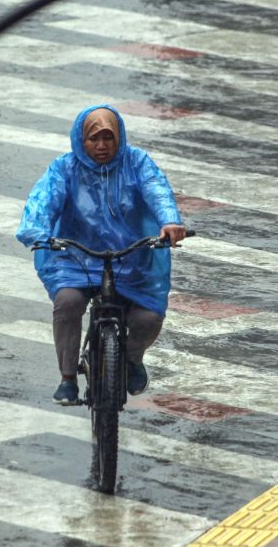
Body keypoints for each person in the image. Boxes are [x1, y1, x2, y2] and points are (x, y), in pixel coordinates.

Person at [16, 104, 186, 406]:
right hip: (77, 258)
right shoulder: (64, 168)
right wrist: (36, 231)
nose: (101, 146)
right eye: (94, 139)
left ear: (119, 138)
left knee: (149, 317)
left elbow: (156, 189)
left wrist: (169, 221)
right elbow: (43, 199)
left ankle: (132, 358)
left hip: (130, 258)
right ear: (81, 140)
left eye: (108, 138)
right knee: (67, 303)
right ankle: (67, 378)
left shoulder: (137, 163)